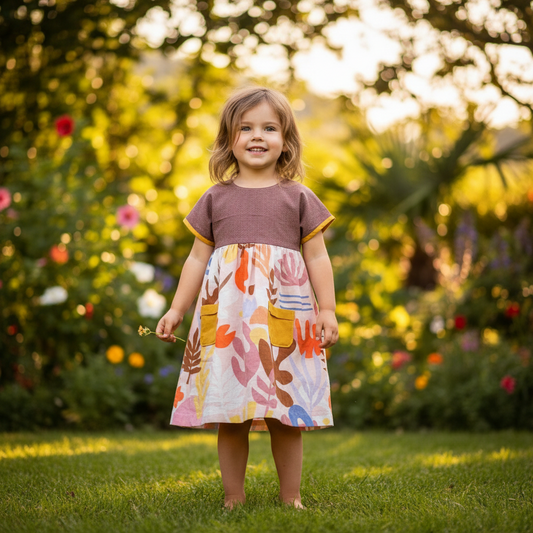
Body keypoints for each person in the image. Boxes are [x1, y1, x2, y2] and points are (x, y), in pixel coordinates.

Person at [156, 86, 338, 509]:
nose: (258, 136)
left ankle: (290, 497)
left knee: (286, 413)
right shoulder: (215, 197)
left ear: (286, 141)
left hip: (285, 317)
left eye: (269, 128)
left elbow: (318, 255)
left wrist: (327, 309)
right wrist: (176, 308)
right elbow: (197, 259)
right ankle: (232, 498)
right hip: (228, 318)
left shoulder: (298, 196)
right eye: (246, 128)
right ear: (229, 140)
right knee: (230, 413)